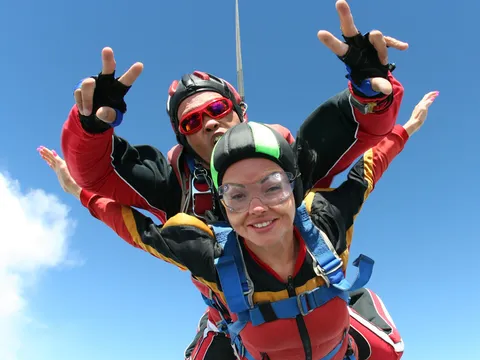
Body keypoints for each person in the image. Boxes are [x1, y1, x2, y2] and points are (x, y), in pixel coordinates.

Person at [40, 92, 438, 360]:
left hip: (330, 340)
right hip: (260, 357)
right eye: (236, 196)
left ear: (295, 188)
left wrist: (405, 128)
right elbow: (132, 227)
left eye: (273, 187)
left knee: (388, 356)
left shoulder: (325, 220)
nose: (258, 208)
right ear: (222, 209)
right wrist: (80, 192)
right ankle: (219, 322)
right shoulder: (208, 253)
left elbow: (368, 170)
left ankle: (349, 307)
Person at [60, 0, 408, 224]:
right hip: (235, 322)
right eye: (192, 121)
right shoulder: (173, 186)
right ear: (184, 137)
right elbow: (98, 174)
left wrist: (369, 93)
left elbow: (361, 135)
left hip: (320, 306)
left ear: (240, 111)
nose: (209, 121)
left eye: (217, 107)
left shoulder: (289, 157)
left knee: (384, 343)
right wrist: (90, 128)